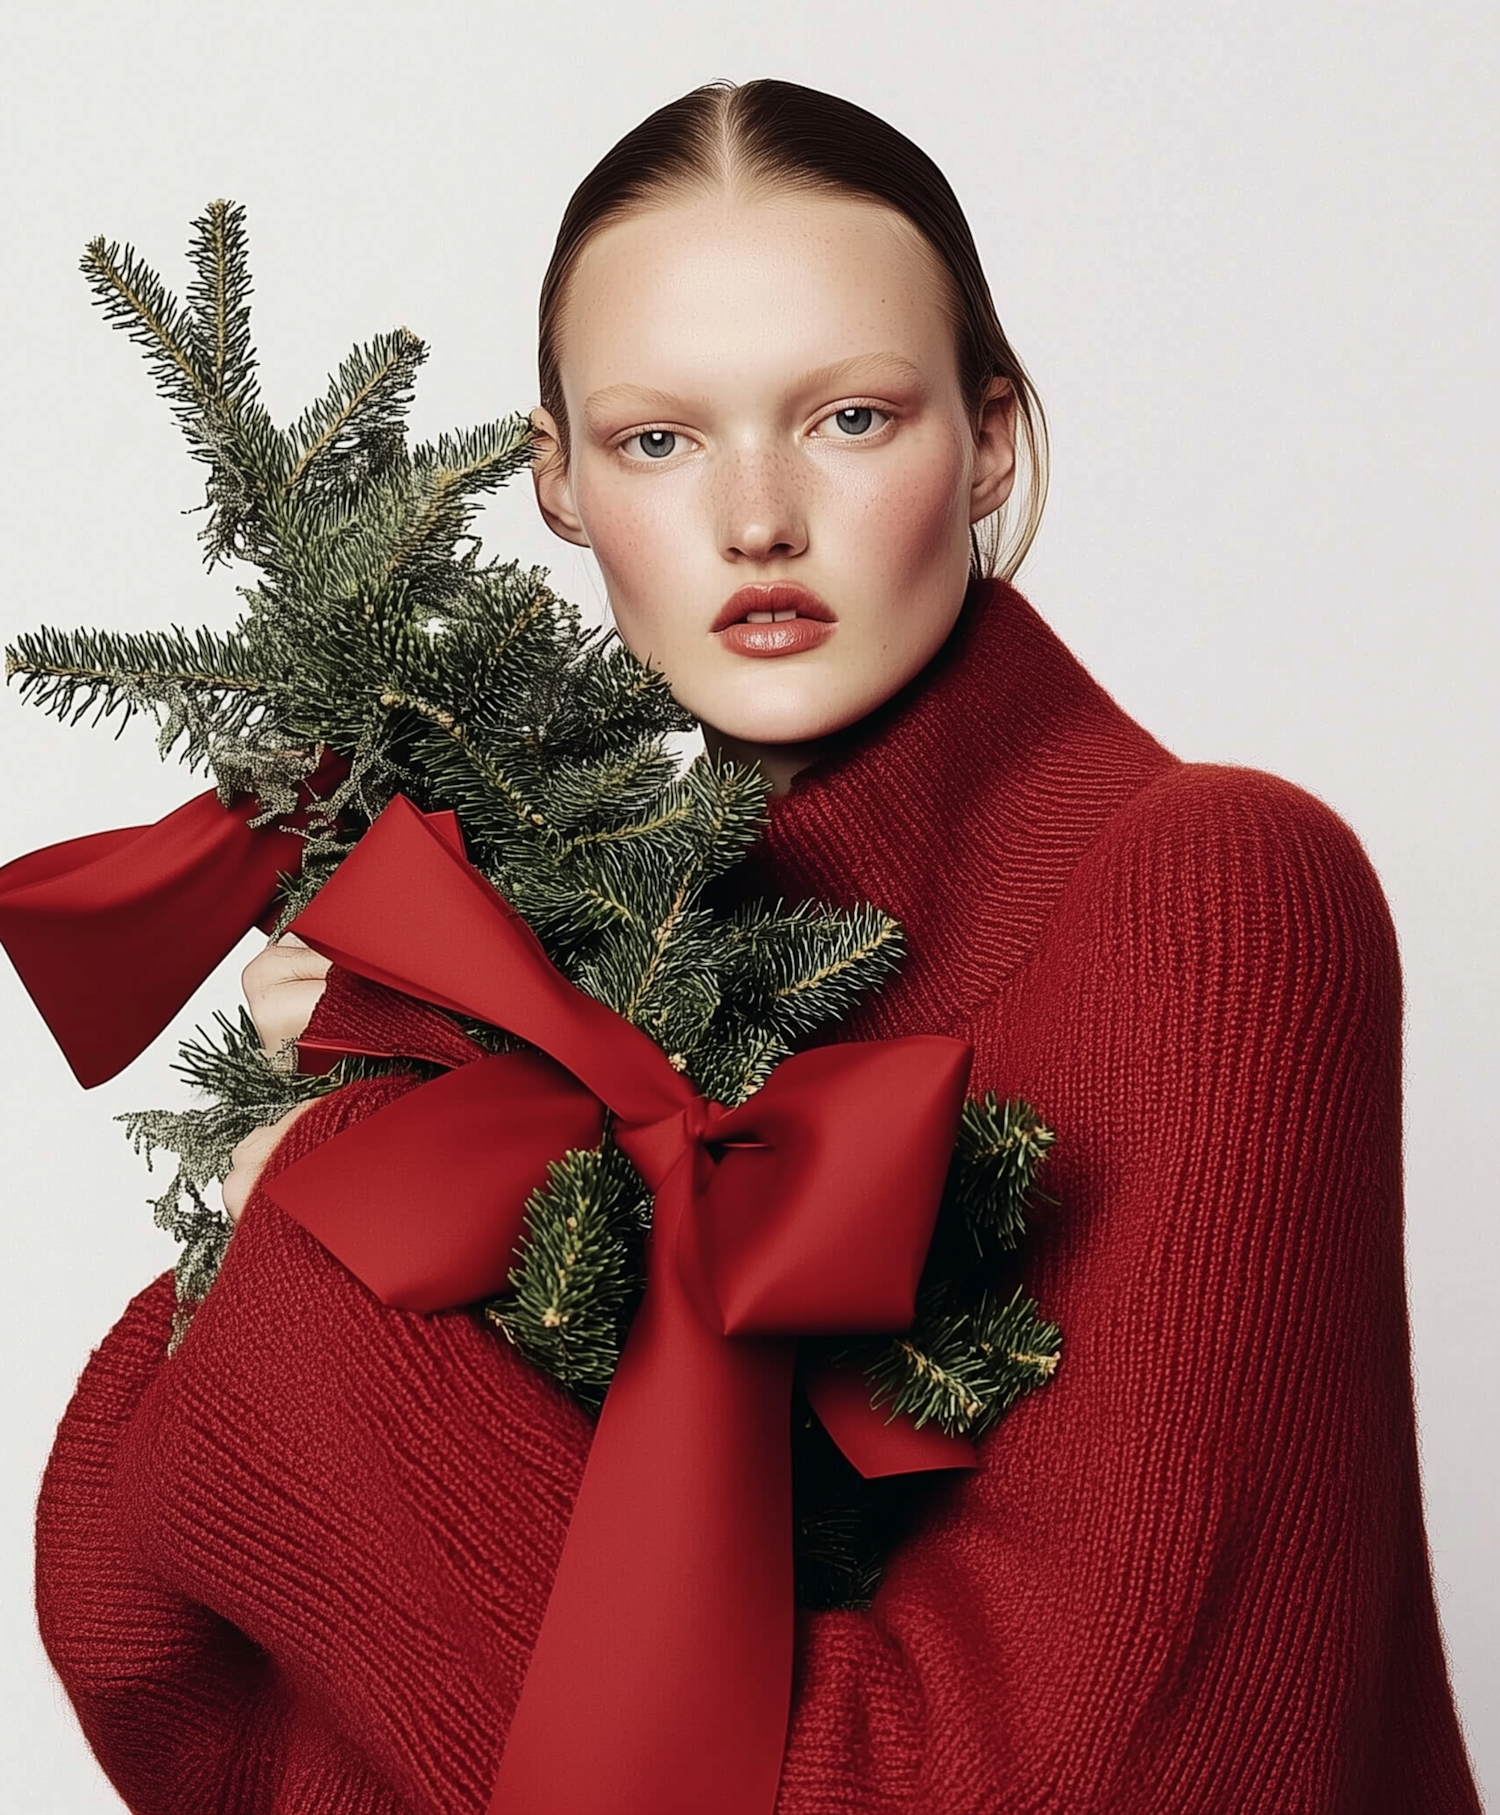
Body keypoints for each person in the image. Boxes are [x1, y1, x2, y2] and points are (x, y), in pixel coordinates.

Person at [34, 77, 1483, 1815]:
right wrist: (441, 1087)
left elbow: (1035, 1786)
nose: (757, 518)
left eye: (853, 418)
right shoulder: (593, 973)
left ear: (994, 435)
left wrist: (337, 1218)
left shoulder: (1215, 895)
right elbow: (159, 1651)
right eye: (659, 439)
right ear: (557, 480)